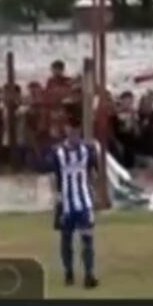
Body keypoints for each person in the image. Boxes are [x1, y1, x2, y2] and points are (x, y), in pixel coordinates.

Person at [49, 112, 100, 289]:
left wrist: (94, 193)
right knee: (66, 239)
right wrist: (57, 197)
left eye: (77, 132)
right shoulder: (58, 152)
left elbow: (93, 173)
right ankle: (69, 272)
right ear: (66, 130)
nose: (74, 135)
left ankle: (89, 275)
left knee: (87, 238)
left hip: (84, 201)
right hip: (66, 203)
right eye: (71, 131)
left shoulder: (88, 150)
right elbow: (54, 176)